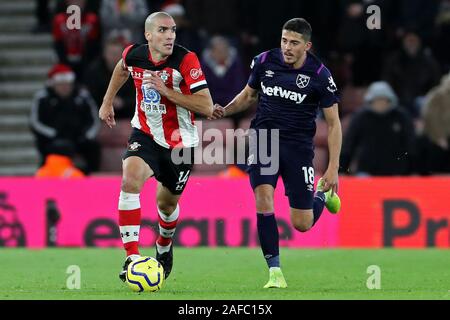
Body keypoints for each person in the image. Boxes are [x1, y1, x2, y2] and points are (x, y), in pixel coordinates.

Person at [211, 18, 342, 288]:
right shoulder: (264, 62)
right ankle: (275, 273)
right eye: (284, 40)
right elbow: (248, 96)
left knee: (302, 223)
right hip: (264, 139)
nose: (287, 47)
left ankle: (322, 195)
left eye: (294, 43)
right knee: (264, 197)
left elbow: (333, 124)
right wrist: (224, 109)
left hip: (298, 147)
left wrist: (333, 168)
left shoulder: (320, 75)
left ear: (307, 45)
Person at [98, 12, 213, 282]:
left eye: (172, 30)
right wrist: (107, 101)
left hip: (180, 143)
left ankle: (164, 244)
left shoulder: (186, 60)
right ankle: (132, 257)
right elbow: (121, 68)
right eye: (162, 30)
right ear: (148, 35)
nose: (170, 35)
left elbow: (206, 106)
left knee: (167, 204)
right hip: (146, 133)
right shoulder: (134, 54)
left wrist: (165, 91)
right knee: (130, 180)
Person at [30, 63, 101, 175]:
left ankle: (91, 176)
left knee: (93, 147)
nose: (65, 88)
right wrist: (53, 134)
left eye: (67, 84)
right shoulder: (42, 98)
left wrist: (87, 135)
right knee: (52, 148)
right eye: (61, 84)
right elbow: (35, 122)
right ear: (54, 84)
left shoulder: (82, 96)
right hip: (53, 138)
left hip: (79, 137)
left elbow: (94, 119)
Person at [340, 81, 417, 176]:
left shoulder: (402, 117)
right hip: (366, 171)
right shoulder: (360, 117)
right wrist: (342, 170)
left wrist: (414, 170)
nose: (380, 104)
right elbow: (349, 145)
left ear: (390, 100)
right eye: (376, 100)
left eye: (383, 100)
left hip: (397, 172)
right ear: (370, 101)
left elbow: (411, 145)